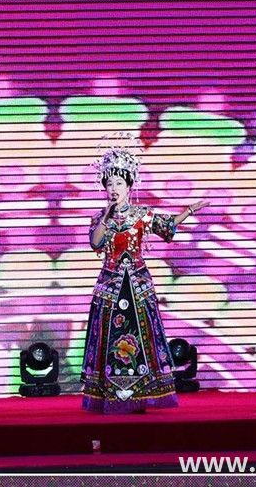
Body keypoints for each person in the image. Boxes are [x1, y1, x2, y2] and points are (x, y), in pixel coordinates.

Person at [80, 132, 210, 414]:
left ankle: (141, 393)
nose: (114, 189)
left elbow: (167, 226)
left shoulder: (142, 214)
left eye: (119, 183)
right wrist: (106, 216)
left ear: (129, 185)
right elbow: (95, 243)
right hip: (110, 286)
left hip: (137, 285)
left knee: (142, 336)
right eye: (109, 184)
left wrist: (189, 210)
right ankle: (109, 393)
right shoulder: (100, 218)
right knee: (109, 337)